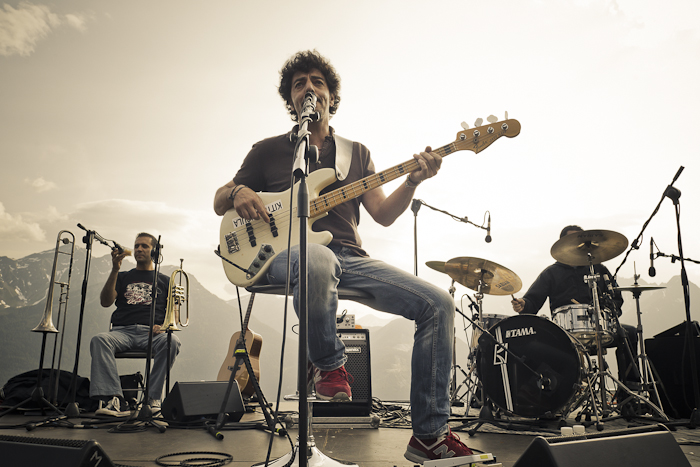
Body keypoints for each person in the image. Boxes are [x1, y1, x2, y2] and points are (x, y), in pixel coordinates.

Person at [213, 50, 473, 464]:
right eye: (299, 84)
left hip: (349, 257)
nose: (308, 88)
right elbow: (219, 200)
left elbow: (383, 215)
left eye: (317, 82)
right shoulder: (267, 151)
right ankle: (330, 365)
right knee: (316, 258)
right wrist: (237, 191)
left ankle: (429, 435)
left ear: (331, 97)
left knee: (438, 303)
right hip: (277, 256)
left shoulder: (357, 153)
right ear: (291, 99)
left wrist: (412, 182)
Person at [511, 225, 640, 390]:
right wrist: (524, 304)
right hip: (564, 333)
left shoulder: (598, 268)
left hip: (599, 327)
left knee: (629, 334)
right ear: (562, 245)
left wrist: (606, 310)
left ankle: (629, 392)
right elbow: (532, 301)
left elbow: (616, 298)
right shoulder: (551, 273)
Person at [89, 232, 181, 416]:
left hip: (152, 334)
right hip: (122, 332)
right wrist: (114, 270)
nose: (139, 249)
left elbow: (175, 316)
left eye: (144, 246)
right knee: (99, 340)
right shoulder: (122, 276)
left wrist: (164, 326)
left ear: (155, 251)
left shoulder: (166, 281)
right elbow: (105, 302)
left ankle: (152, 398)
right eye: (137, 245)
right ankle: (114, 399)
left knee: (172, 341)